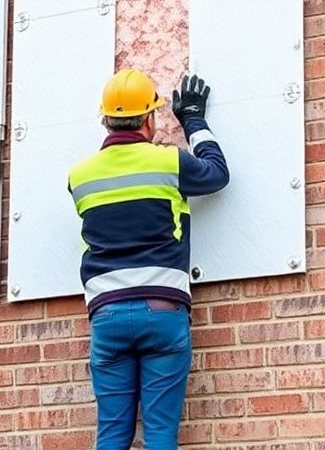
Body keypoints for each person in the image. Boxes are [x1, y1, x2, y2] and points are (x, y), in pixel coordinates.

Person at [69, 70, 229, 450]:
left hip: (107, 316)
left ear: (105, 120)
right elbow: (217, 174)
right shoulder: (169, 162)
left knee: (112, 435)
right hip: (162, 311)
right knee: (159, 435)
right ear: (148, 119)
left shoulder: (80, 176)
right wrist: (193, 120)